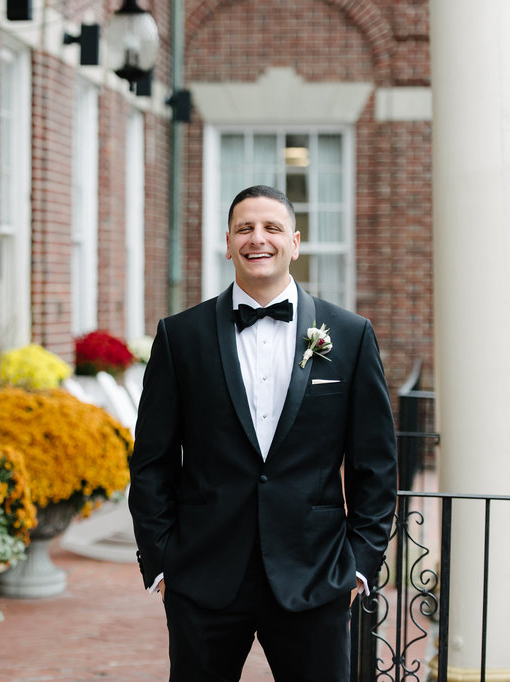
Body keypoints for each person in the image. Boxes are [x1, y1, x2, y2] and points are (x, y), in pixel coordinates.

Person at [128, 185, 398, 681]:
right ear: (227, 242)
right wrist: (163, 563)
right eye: (245, 228)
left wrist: (359, 564)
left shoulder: (351, 335)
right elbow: (151, 461)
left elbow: (375, 464)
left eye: (272, 228)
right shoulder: (180, 336)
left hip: (315, 575)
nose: (259, 239)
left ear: (294, 242)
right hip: (203, 576)